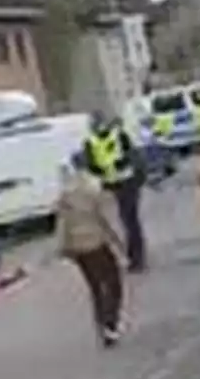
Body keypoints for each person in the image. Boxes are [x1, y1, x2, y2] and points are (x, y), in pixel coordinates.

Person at [55, 152, 127, 348]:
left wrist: (63, 247)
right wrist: (120, 244)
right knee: (113, 284)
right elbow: (106, 219)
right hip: (96, 242)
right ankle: (110, 323)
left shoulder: (66, 190)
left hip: (78, 248)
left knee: (95, 287)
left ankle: (102, 325)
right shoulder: (94, 186)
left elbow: (62, 222)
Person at [84, 111, 148, 272]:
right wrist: (100, 172)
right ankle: (128, 255)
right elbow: (90, 165)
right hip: (109, 185)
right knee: (119, 223)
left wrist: (133, 170)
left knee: (130, 220)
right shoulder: (90, 143)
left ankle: (137, 258)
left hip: (127, 182)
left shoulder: (119, 136)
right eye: (96, 124)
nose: (99, 127)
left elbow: (133, 156)